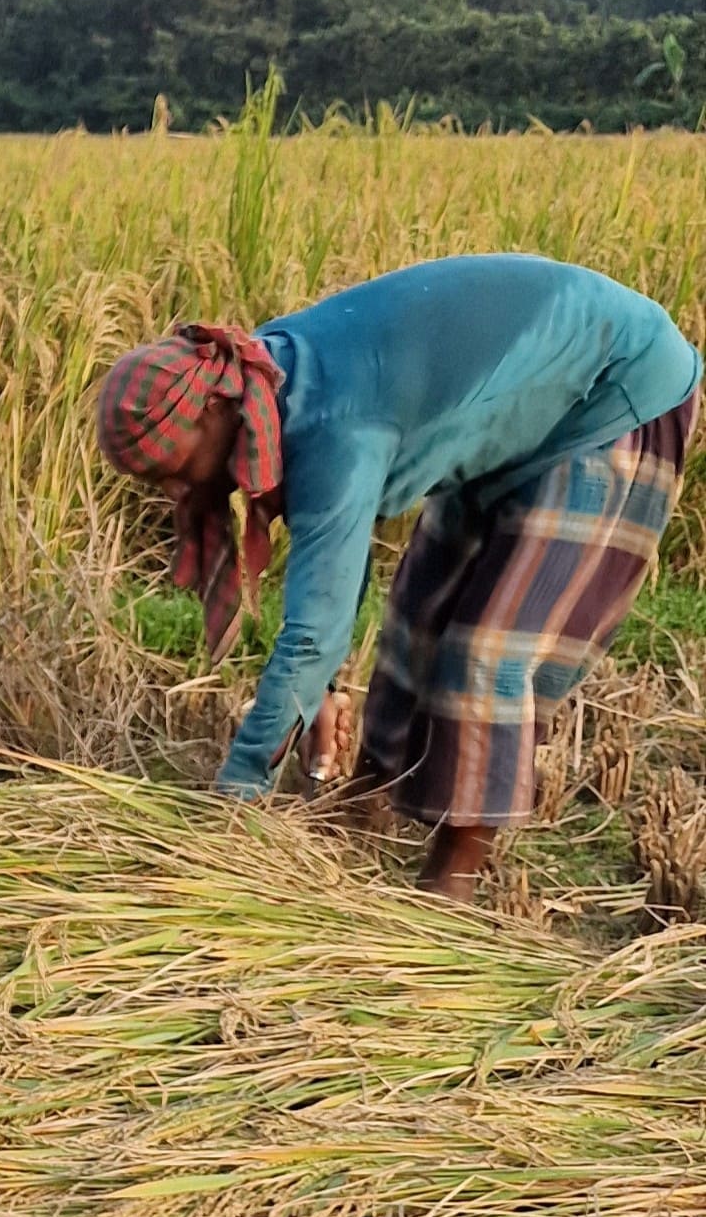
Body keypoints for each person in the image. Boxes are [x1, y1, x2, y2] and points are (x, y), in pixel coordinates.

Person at [96, 253, 700, 901]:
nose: (174, 489)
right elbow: (331, 578)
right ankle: (368, 799)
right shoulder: (263, 383)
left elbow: (311, 632)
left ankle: (453, 878)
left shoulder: (334, 427)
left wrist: (237, 797)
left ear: (213, 410)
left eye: (169, 467)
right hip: (520, 399)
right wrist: (319, 688)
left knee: (488, 650)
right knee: (417, 615)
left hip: (613, 387)